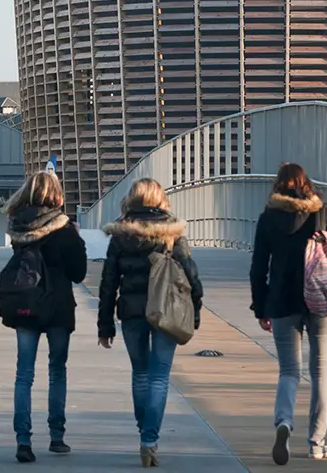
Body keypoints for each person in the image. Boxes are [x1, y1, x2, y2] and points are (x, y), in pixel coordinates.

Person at [97, 178, 203, 468]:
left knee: (141, 374)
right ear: (160, 199)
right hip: (166, 309)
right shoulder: (172, 232)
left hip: (131, 312)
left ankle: (144, 429)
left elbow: (108, 281)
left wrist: (104, 324)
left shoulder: (121, 234)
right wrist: (195, 310)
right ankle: (149, 439)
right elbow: (191, 274)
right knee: (159, 376)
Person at [250, 162, 327, 465]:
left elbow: (258, 267)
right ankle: (317, 444)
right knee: (321, 372)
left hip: (282, 301)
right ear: (306, 183)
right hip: (320, 299)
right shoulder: (320, 212)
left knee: (289, 372)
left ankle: (283, 423)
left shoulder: (269, 217)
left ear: (278, 186)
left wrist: (260, 306)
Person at [3, 171, 87, 464]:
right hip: (58, 308)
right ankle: (56, 436)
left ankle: (23, 440)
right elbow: (79, 273)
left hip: (25, 304)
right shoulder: (64, 230)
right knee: (57, 370)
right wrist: (78, 240)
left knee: (23, 374)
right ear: (56, 195)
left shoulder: (18, 225)